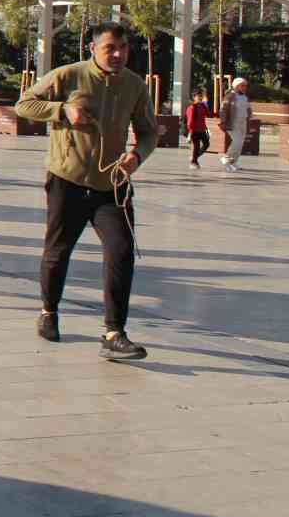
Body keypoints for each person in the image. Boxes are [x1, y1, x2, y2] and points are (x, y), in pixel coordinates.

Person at [15, 21, 158, 360]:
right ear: (92, 48)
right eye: (111, 48)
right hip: (68, 179)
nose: (119, 54)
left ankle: (114, 332)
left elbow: (150, 132)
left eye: (123, 48)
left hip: (112, 185)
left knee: (121, 250)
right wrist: (61, 110)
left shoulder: (135, 85)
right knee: (58, 250)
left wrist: (137, 156)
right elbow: (24, 104)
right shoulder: (69, 76)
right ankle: (49, 311)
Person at [218, 77, 250, 172]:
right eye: (242, 85)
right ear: (236, 86)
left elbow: (247, 109)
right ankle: (226, 157)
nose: (244, 88)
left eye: (245, 86)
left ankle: (234, 162)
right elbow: (223, 109)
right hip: (233, 122)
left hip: (243, 122)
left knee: (240, 144)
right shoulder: (230, 96)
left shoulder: (244, 97)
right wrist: (223, 121)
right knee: (237, 141)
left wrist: (250, 117)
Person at [184, 88, 211, 170]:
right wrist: (190, 133)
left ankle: (194, 157)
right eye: (198, 96)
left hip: (202, 130)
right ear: (194, 97)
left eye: (201, 96)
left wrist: (206, 103)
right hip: (194, 130)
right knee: (196, 146)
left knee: (206, 144)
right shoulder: (192, 108)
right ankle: (193, 162)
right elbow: (190, 121)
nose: (200, 97)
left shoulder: (202, 105)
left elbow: (208, 114)